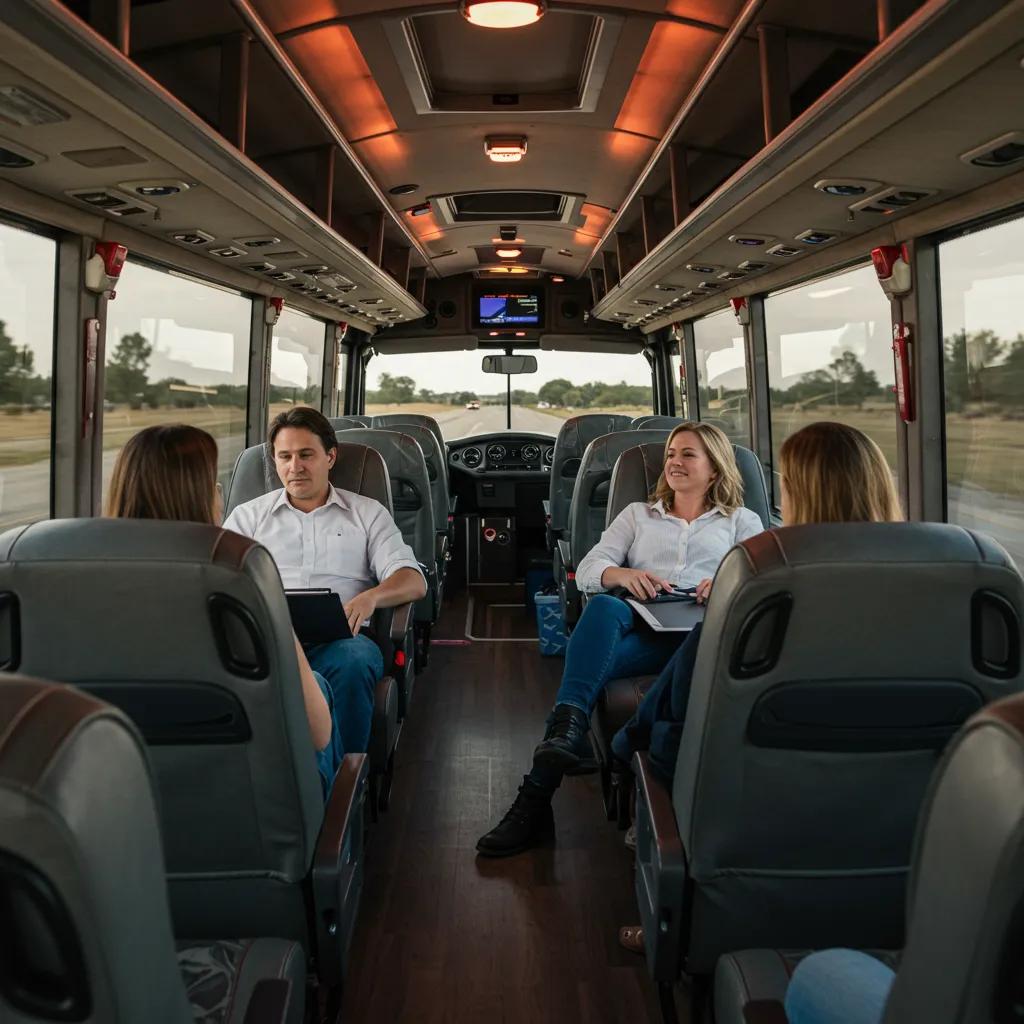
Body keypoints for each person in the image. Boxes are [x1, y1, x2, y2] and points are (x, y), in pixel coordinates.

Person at [615, 421, 902, 955]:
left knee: (654, 734)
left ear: (801, 494)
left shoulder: (760, 593)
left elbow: (679, 726)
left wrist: (639, 750)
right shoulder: (947, 580)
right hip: (900, 831)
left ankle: (671, 918)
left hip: (759, 810)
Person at [476, 422, 764, 858]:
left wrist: (725, 582)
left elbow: (763, 584)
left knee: (586, 669)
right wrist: (623, 574)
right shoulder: (637, 515)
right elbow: (589, 570)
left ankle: (535, 797)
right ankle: (568, 728)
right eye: (671, 454)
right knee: (605, 606)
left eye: (688, 455)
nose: (674, 463)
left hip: (706, 638)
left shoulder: (743, 522)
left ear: (715, 468)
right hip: (644, 629)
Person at [105, 423, 342, 796]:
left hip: (112, 798)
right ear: (199, 496)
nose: (220, 492)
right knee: (321, 689)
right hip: (241, 806)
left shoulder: (69, 577)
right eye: (213, 483)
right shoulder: (243, 582)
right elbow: (318, 731)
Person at [223, 406, 426, 756]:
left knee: (353, 661)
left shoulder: (366, 513)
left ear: (330, 457)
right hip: (266, 639)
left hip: (341, 642)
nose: (294, 466)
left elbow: (412, 580)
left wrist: (371, 598)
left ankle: (344, 786)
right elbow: (220, 580)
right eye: (284, 456)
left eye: (306, 455)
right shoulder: (247, 517)